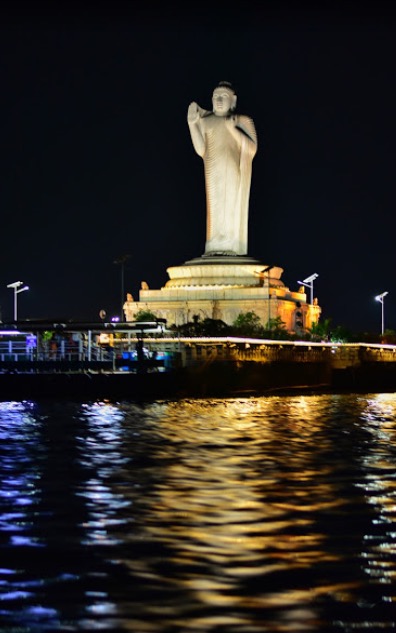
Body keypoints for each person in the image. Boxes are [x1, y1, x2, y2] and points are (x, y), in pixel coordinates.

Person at [187, 81, 258, 256]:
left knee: (230, 205)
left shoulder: (241, 120)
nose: (219, 100)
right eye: (216, 97)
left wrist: (232, 128)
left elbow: (251, 149)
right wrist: (192, 124)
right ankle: (214, 245)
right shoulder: (207, 121)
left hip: (233, 169)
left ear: (233, 101)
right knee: (215, 207)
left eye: (223, 97)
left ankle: (232, 245)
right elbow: (201, 150)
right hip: (212, 168)